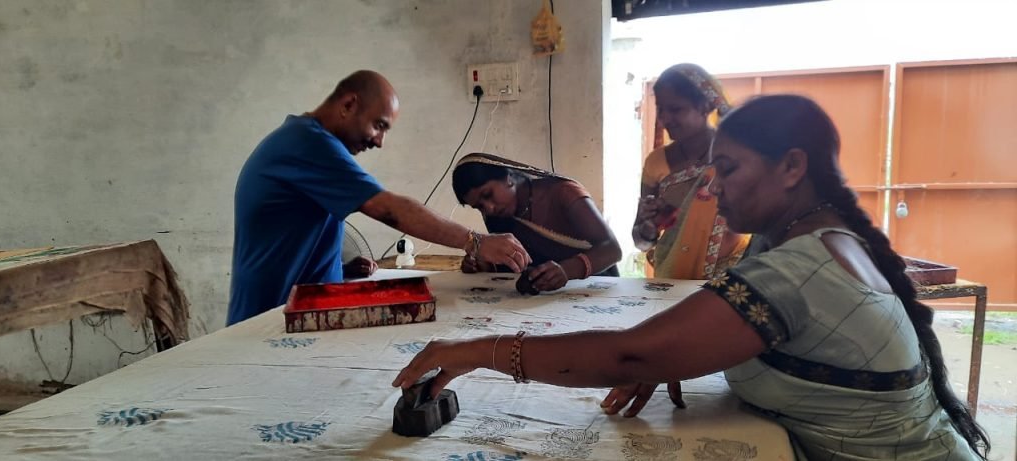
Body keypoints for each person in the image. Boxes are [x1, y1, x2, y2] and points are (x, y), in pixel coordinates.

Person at [394, 95, 990, 460]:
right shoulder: (822, 240)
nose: (713, 186)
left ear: (791, 167)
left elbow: (627, 356)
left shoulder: (795, 269)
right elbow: (691, 333)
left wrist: (478, 350)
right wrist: (672, 356)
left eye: (727, 169)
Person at [228, 71, 532, 326]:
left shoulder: (300, 139)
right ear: (348, 104)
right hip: (267, 320)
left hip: (294, 309)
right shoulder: (308, 145)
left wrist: (336, 268)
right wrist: (476, 241)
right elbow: (389, 209)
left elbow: (290, 230)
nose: (379, 141)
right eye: (379, 125)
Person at [633, 63, 750, 280]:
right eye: (661, 109)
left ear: (704, 107)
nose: (665, 118)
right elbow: (641, 242)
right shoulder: (656, 162)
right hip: (673, 281)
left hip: (732, 278)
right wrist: (650, 226)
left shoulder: (737, 155)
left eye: (676, 109)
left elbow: (755, 222)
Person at [451, 153, 622, 291]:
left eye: (488, 195)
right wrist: (484, 265)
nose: (489, 208)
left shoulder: (564, 192)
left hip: (596, 286)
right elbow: (520, 265)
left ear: (508, 176)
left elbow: (612, 249)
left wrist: (566, 271)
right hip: (547, 296)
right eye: (479, 206)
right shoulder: (498, 217)